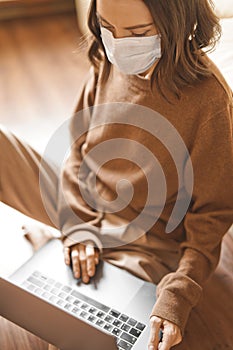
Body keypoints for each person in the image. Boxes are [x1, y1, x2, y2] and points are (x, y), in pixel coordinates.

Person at [0, 0, 232, 349]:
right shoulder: (106, 59)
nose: (118, 46)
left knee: (77, 330)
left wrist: (177, 297)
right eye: (108, 28)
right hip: (84, 199)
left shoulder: (209, 102)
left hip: (147, 242)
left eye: (137, 34)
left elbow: (212, 219)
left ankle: (60, 254)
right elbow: (78, 150)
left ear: (179, 23)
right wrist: (79, 224)